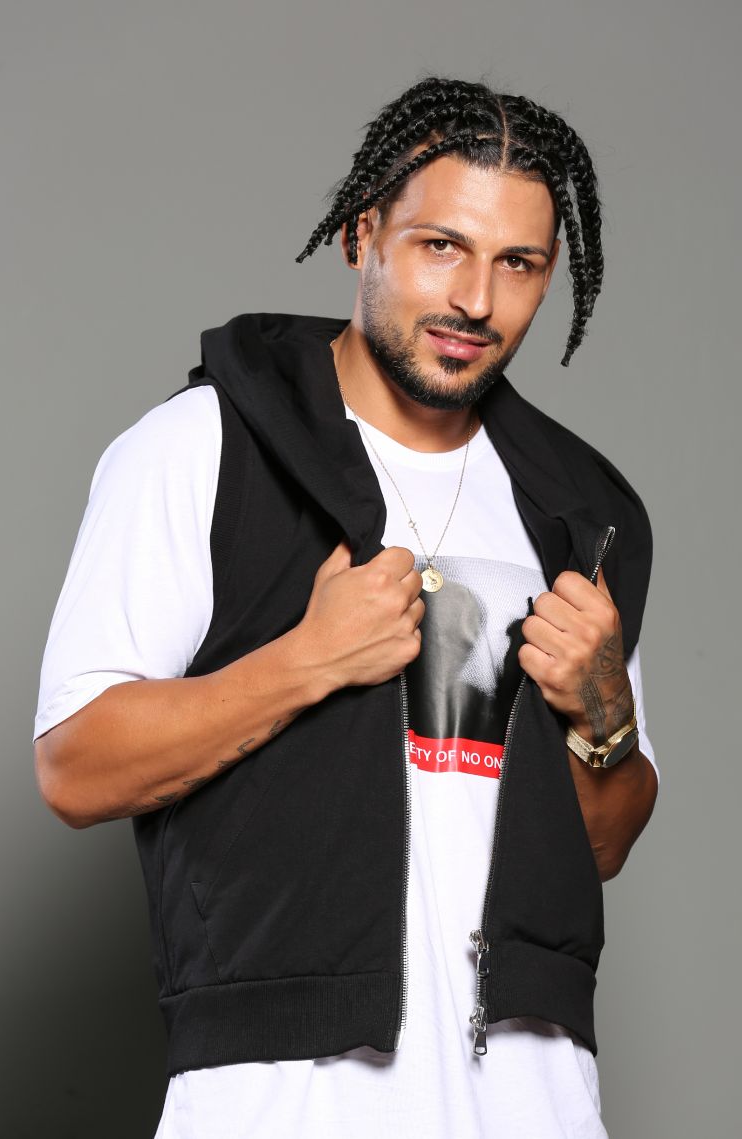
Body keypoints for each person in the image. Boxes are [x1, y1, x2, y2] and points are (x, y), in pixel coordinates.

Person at [34, 76, 659, 1138]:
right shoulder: (200, 448)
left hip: (536, 1099)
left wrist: (605, 713)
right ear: (360, 234)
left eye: (517, 263)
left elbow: (601, 842)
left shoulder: (582, 511)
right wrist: (305, 662)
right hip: (282, 1096)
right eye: (441, 246)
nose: (476, 300)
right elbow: (74, 766)